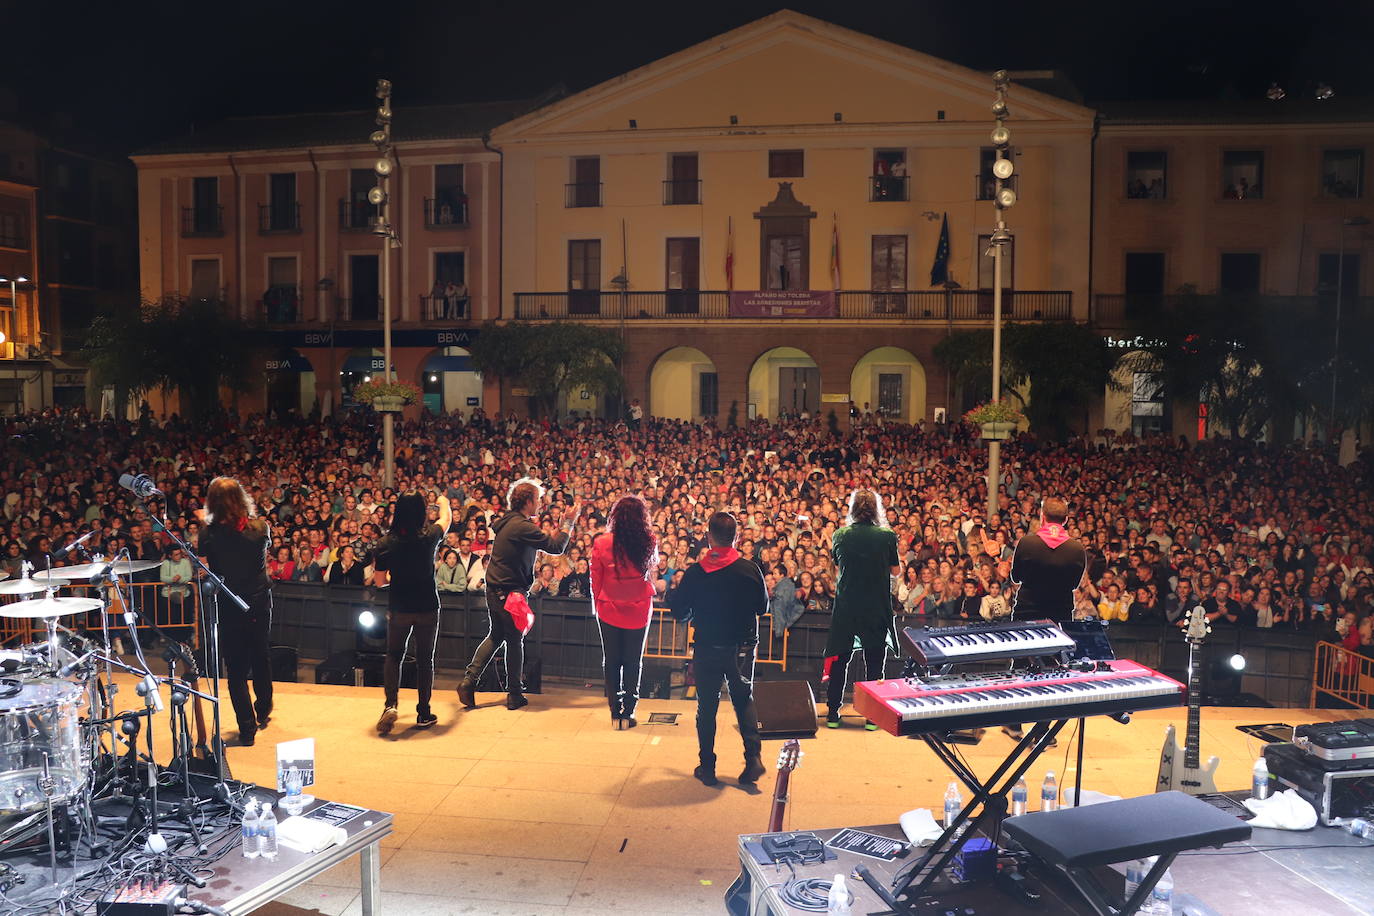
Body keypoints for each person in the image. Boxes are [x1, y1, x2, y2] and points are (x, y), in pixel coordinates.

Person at [457, 478, 580, 711]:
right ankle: (513, 694)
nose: (540, 504)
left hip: (496, 589)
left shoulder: (508, 522)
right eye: (537, 500)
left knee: (497, 636)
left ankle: (469, 682)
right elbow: (556, 547)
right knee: (514, 641)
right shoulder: (522, 526)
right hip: (508, 591)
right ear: (527, 501)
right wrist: (568, 523)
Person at [668, 511, 768, 786]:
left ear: (709, 537)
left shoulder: (697, 572)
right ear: (736, 537)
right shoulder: (750, 569)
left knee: (707, 706)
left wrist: (675, 592)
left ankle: (707, 766)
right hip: (742, 646)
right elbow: (763, 607)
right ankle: (753, 760)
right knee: (743, 700)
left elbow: (679, 611)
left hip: (708, 645)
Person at [199, 476, 274, 747]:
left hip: (229, 604)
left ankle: (246, 728)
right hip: (258, 600)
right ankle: (263, 707)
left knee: (236, 668)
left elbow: (204, 568)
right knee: (261, 654)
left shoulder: (208, 533)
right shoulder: (259, 528)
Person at [1006, 496, 1086, 741]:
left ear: (1042, 517)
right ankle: (1043, 730)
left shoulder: (1028, 543)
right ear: (1066, 519)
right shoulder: (1076, 548)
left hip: (1027, 611)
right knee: (1053, 668)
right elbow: (1074, 584)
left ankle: (1014, 724)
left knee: (1020, 664)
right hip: (1059, 614)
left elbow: (1016, 576)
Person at [371, 492, 451, 734]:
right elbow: (446, 519)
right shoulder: (429, 537)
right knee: (425, 660)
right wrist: (443, 501)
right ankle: (424, 712)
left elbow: (379, 581)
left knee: (394, 655)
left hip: (400, 607)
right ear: (422, 512)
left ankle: (390, 705)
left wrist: (398, 575)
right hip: (427, 605)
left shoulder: (386, 543)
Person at [822, 489, 899, 730]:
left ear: (852, 509)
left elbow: (838, 564)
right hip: (875, 604)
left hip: (847, 605)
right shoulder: (887, 535)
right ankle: (872, 717)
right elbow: (895, 571)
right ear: (876, 509)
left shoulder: (840, 535)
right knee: (874, 661)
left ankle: (833, 713)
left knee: (840, 659)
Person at [590, 495, 659, 728]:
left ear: (615, 516)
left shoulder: (602, 542)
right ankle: (628, 711)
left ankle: (614, 711)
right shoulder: (649, 540)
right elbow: (650, 572)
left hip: (608, 606)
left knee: (611, 660)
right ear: (642, 518)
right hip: (639, 607)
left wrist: (596, 604)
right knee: (633, 660)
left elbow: (595, 578)